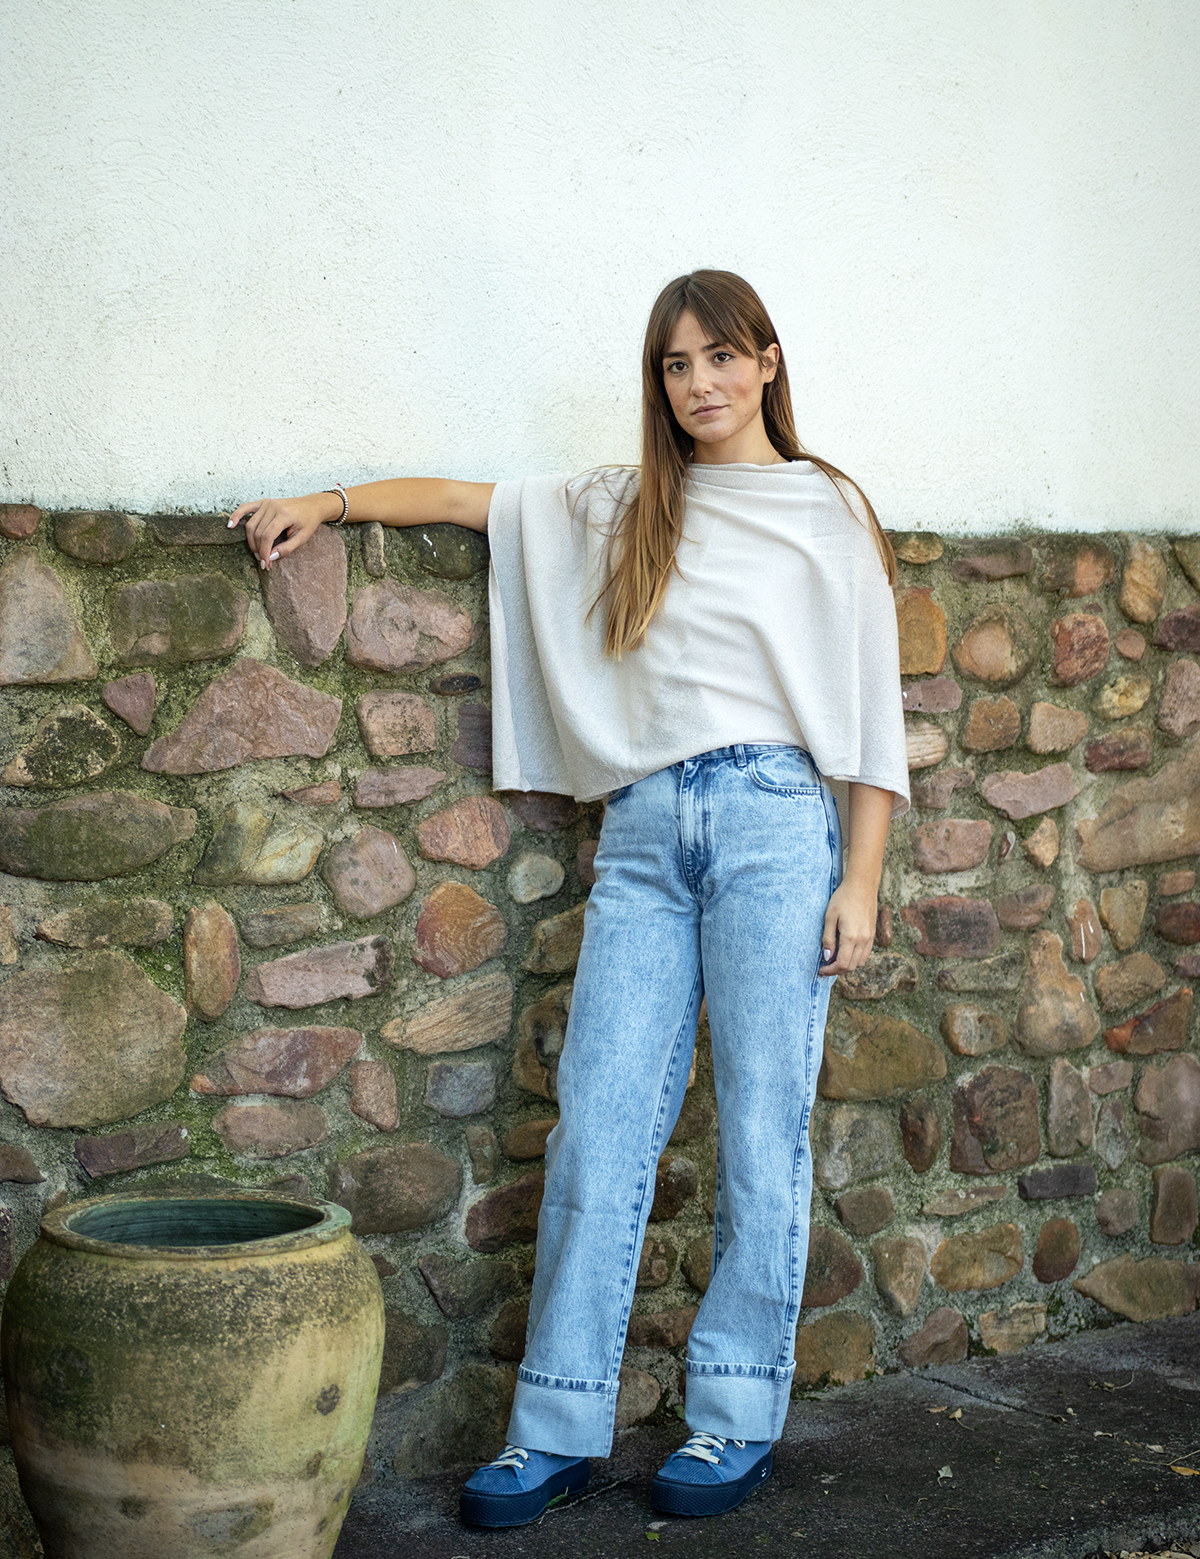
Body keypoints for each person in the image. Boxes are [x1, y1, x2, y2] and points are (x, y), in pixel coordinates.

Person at [229, 269, 909, 1528]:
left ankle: (736, 1412)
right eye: (673, 364)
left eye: (718, 356)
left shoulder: (826, 509)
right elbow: (463, 502)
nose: (697, 382)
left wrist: (859, 881)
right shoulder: (625, 503)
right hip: (646, 831)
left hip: (774, 822)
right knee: (600, 1121)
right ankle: (555, 1425)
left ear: (766, 360)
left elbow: (871, 716)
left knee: (764, 1126)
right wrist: (323, 502)